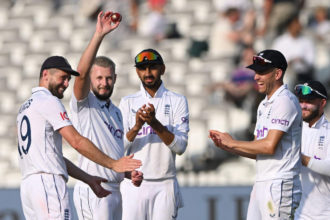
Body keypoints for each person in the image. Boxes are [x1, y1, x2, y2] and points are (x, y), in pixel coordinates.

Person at [16, 55, 142, 219]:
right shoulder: (49, 101)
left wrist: (88, 179)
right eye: (63, 78)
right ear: (46, 74)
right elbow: (76, 141)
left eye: (68, 79)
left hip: (29, 185)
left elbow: (55, 157)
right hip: (48, 183)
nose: (66, 84)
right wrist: (113, 164)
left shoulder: (25, 107)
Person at [209, 49, 302, 219]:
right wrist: (227, 146)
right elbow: (258, 150)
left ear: (277, 73)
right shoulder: (264, 104)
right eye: (255, 72)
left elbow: (269, 146)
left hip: (279, 183)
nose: (256, 77)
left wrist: (233, 143)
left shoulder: (285, 101)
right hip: (262, 182)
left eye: (262, 72)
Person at [69, 11, 143, 220]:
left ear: (115, 78)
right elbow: (81, 74)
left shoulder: (116, 112)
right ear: (91, 79)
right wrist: (99, 35)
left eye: (108, 78)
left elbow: (112, 153)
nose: (104, 83)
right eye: (99, 78)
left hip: (115, 190)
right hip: (94, 189)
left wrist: (126, 173)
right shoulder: (84, 104)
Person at [119, 48, 190, 220]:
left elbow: (180, 147)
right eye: (143, 68)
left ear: (163, 69)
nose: (148, 72)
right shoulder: (127, 103)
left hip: (165, 184)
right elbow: (119, 148)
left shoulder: (177, 101)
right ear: (137, 72)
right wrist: (137, 126)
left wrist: (154, 123)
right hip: (133, 184)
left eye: (153, 67)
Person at [293, 81, 330, 219]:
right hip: (299, 215)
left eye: (308, 102)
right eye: (300, 101)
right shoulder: (292, 130)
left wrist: (303, 159)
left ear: (322, 103)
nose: (303, 106)